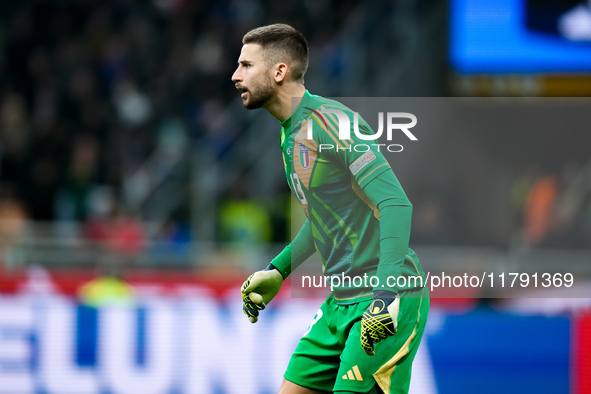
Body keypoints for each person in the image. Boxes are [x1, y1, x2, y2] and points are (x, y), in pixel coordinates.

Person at [232, 24, 429, 394]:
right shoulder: (289, 132)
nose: (235, 75)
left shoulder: (333, 122)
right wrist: (280, 268)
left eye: (245, 65)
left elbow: (396, 204)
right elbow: (323, 218)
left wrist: (385, 298)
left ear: (279, 71)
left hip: (386, 296)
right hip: (340, 300)